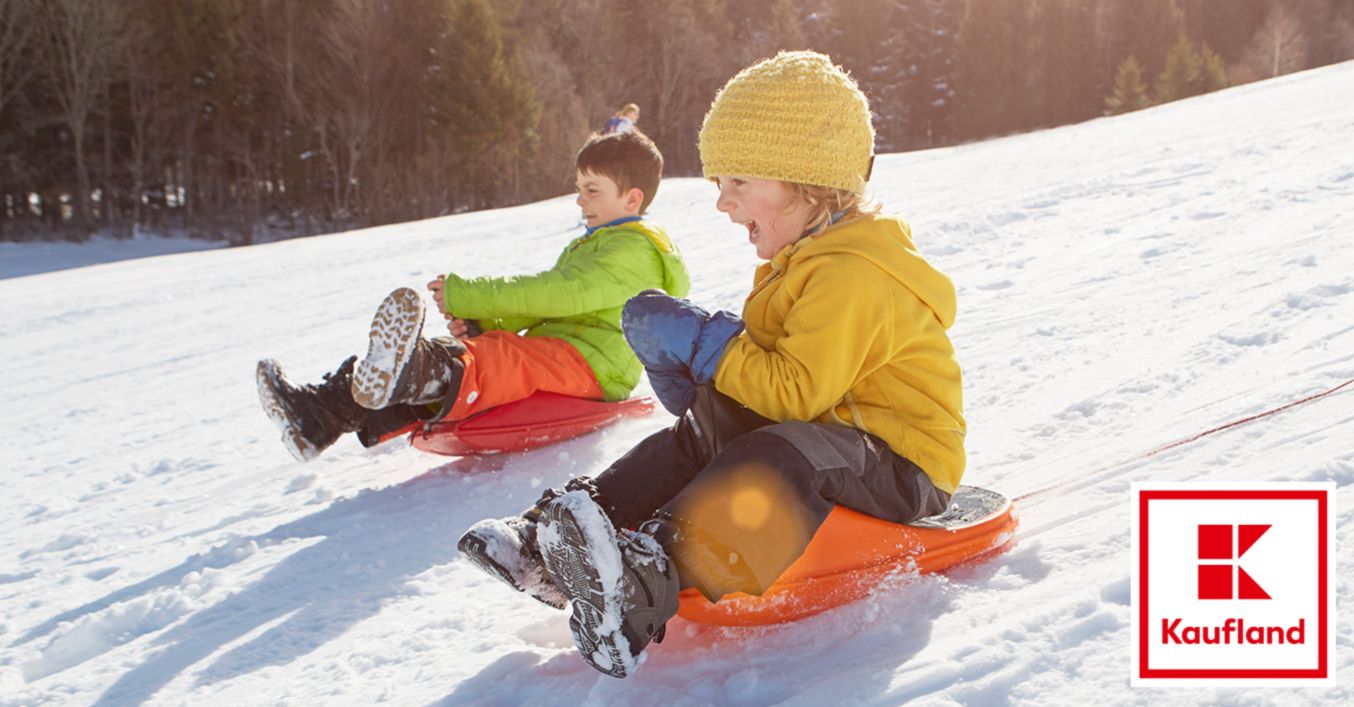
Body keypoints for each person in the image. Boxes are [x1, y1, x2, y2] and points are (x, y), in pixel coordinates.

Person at [459, 51, 966, 678]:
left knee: (778, 456)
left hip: (902, 461)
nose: (724, 205)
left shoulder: (854, 273)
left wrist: (711, 345)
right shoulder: (804, 259)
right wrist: (702, 381)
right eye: (718, 185)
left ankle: (644, 581)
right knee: (699, 435)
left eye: (738, 184)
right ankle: (550, 547)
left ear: (806, 180)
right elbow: (774, 390)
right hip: (831, 432)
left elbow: (794, 395)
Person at [256, 130, 690, 462]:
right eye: (579, 189)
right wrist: (486, 325)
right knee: (466, 352)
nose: (579, 201)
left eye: (592, 190)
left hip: (595, 364)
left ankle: (417, 373)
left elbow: (560, 296)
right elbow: (555, 313)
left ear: (632, 198)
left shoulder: (634, 249)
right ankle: (318, 416)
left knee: (496, 359)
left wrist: (472, 297)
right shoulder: (599, 242)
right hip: (565, 351)